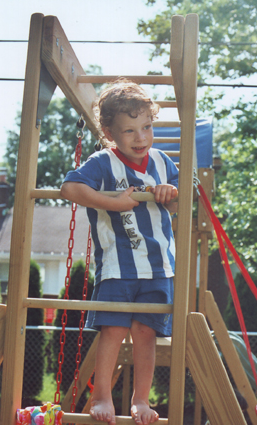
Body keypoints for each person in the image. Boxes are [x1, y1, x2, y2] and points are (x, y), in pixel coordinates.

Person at [60, 79, 178, 425]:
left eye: (147, 127)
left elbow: (177, 203)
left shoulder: (162, 161)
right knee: (112, 329)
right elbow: (69, 188)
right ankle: (102, 397)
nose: (141, 138)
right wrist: (112, 201)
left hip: (158, 268)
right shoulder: (102, 163)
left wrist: (169, 193)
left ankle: (141, 398)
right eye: (129, 131)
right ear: (110, 133)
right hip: (118, 266)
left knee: (146, 332)